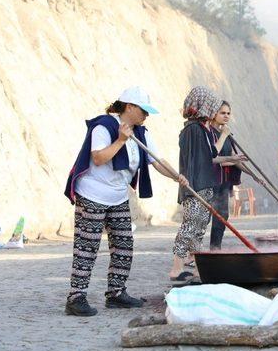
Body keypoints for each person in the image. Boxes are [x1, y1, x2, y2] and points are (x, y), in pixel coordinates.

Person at [63, 86, 189, 316]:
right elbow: (99, 158)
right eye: (143, 110)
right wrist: (121, 140)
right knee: (87, 246)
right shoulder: (104, 126)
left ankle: (116, 293)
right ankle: (76, 297)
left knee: (123, 245)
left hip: (118, 195)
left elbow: (157, 160)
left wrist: (176, 177)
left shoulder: (142, 133)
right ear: (129, 107)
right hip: (92, 194)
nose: (146, 115)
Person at [169, 87, 246, 283]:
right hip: (194, 186)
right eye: (213, 106)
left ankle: (197, 267)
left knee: (200, 227)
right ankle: (176, 269)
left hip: (205, 186)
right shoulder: (192, 129)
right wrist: (223, 137)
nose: (215, 110)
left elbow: (211, 154)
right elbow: (206, 157)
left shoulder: (202, 128)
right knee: (190, 226)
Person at [207, 101, 250, 250]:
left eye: (228, 113)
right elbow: (212, 158)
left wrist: (252, 174)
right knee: (204, 217)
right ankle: (190, 253)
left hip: (224, 182)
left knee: (222, 215)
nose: (226, 116)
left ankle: (215, 248)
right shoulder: (209, 133)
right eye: (222, 113)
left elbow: (233, 157)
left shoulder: (226, 134)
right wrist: (232, 159)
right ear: (214, 114)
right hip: (210, 180)